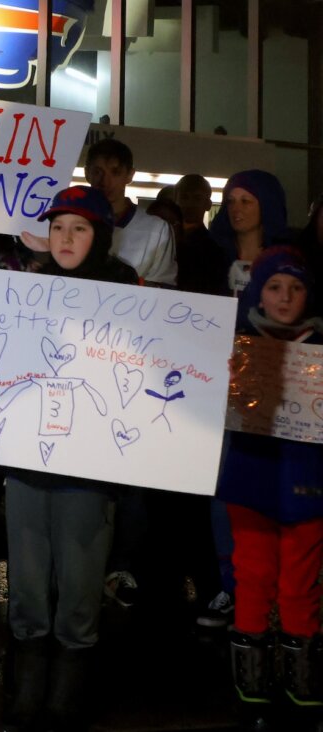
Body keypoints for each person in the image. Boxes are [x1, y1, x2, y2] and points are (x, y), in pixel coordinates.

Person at [2, 186, 138, 732]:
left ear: (99, 236)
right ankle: (26, 687)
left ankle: (67, 693)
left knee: (81, 584)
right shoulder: (23, 289)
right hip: (26, 462)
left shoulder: (128, 292)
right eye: (58, 227)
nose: (65, 238)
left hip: (89, 469)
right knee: (29, 584)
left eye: (79, 229)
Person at [218, 247, 323, 726]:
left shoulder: (319, 342)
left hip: (308, 483)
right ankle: (251, 686)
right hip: (250, 476)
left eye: (296, 288)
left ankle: (303, 688)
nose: (285, 297)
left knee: (300, 583)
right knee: (253, 576)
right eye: (275, 287)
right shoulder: (234, 339)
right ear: (258, 291)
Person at [84, 138, 178, 286]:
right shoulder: (72, 223)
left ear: (130, 175)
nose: (105, 181)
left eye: (115, 172)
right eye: (98, 172)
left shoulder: (157, 229)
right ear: (87, 173)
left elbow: (162, 286)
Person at [210, 169, 289, 297]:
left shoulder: (286, 259)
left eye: (245, 201)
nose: (236, 209)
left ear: (266, 205)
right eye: (230, 201)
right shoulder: (210, 256)